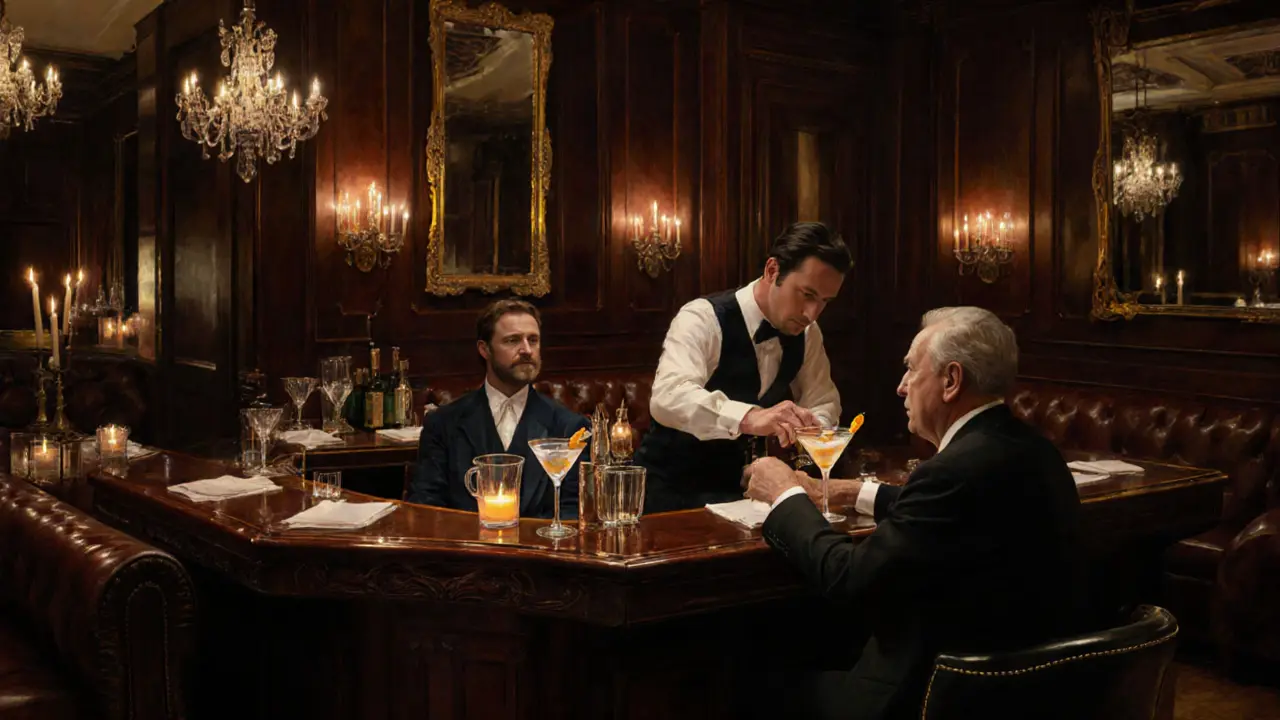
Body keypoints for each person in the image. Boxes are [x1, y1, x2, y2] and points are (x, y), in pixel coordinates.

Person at [744, 306, 1088, 720]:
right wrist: (853, 492)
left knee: (751, 678)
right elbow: (959, 511)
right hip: (1028, 690)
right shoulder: (1036, 451)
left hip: (930, 695)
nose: (901, 387)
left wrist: (784, 495)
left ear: (951, 380)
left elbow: (850, 579)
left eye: (911, 369)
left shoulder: (948, 473)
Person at [635, 222, 851, 512]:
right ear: (772, 271)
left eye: (824, 301)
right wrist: (750, 418)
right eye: (807, 294)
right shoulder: (701, 318)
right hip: (668, 498)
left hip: (741, 498)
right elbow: (668, 397)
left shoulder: (807, 333)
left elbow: (823, 400)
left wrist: (811, 429)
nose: (812, 313)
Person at [407, 299, 588, 519]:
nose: (527, 350)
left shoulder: (569, 426)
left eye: (533, 340)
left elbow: (574, 511)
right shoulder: (443, 423)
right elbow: (425, 505)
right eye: (512, 340)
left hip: (540, 551)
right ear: (485, 349)